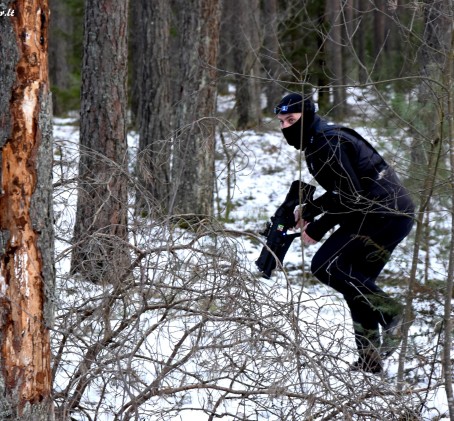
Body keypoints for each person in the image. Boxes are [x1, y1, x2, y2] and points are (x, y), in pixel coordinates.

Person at [274, 93, 415, 373]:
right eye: (281, 122)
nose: (286, 127)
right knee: (355, 285)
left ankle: (393, 312)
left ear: (308, 115)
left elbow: (353, 196)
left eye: (291, 119)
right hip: (388, 211)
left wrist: (319, 226)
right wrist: (311, 209)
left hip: (383, 213)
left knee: (326, 265)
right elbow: (344, 189)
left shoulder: (326, 142)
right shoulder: (320, 140)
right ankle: (369, 361)